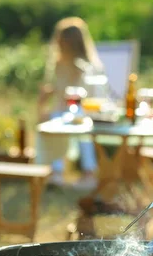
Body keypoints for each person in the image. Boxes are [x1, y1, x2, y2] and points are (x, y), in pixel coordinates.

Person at [38, 17, 104, 188]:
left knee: (82, 128)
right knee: (56, 121)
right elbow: (53, 93)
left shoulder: (88, 67)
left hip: (85, 114)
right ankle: (56, 171)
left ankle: (89, 173)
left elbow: (93, 97)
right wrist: (43, 100)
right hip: (61, 112)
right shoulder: (58, 65)